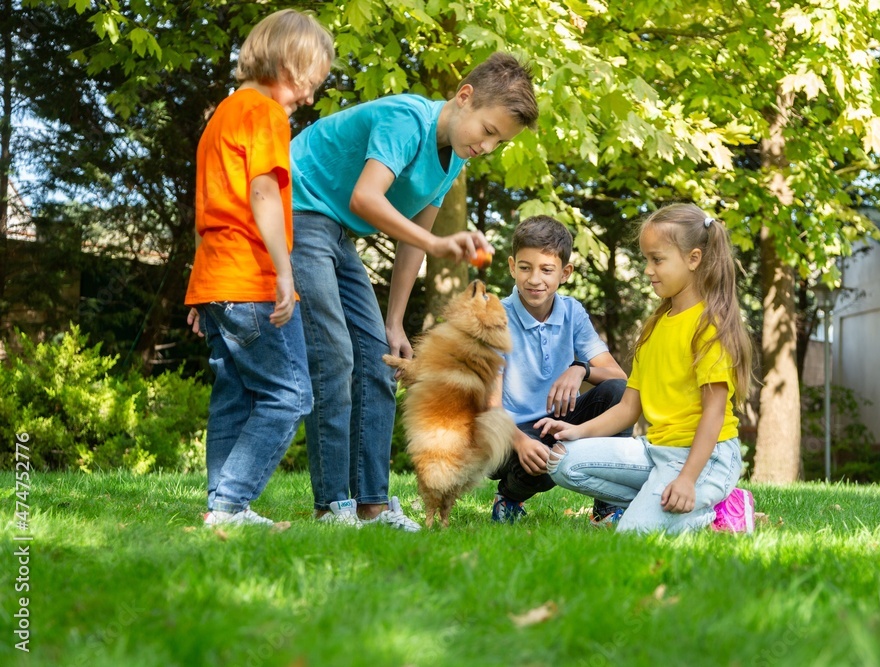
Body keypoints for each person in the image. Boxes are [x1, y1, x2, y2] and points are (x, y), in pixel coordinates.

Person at [290, 53, 538, 530]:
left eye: (500, 141)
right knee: (337, 356)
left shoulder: (453, 162)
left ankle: (372, 504)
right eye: (488, 130)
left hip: (336, 230)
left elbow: (411, 240)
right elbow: (367, 197)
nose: (488, 145)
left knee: (381, 357)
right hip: (297, 209)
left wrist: (394, 321)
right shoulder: (406, 118)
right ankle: (331, 506)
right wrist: (439, 242)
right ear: (464, 97)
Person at [184, 9, 334, 526]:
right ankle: (229, 504)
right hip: (251, 279)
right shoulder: (266, 114)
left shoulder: (221, 116)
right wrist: (284, 272)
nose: (309, 98)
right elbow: (262, 191)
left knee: (234, 394)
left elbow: (210, 210)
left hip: (217, 280)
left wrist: (200, 292)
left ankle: (222, 508)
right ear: (287, 63)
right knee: (291, 394)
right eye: (308, 83)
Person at [540, 203, 756, 534]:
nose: (647, 270)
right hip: (656, 452)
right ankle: (658, 503)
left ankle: (718, 509)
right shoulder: (655, 327)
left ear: (693, 259)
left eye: (657, 259)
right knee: (561, 460)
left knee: (633, 535)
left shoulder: (708, 327)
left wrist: (686, 479)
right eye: (646, 260)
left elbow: (713, 414)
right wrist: (575, 432)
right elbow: (628, 408)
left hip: (706, 459)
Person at [487, 215, 629, 524]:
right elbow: (489, 404)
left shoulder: (572, 312)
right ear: (512, 266)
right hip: (507, 433)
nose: (534, 279)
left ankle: (607, 507)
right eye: (525, 268)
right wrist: (520, 441)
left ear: (564, 273)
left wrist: (581, 369)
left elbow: (619, 377)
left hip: (559, 423)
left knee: (618, 395)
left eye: (546, 270)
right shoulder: (495, 316)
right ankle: (509, 496)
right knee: (543, 456)